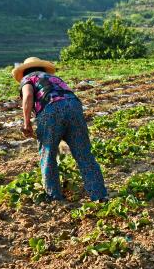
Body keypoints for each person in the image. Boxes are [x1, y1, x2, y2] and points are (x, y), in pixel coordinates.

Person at [12, 57, 108, 202]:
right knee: (84, 154)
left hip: (51, 110)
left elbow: (28, 96)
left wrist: (27, 123)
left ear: (25, 70)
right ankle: (99, 196)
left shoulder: (28, 78)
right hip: (74, 107)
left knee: (48, 155)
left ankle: (54, 197)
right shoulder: (53, 77)